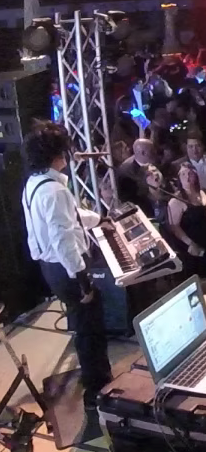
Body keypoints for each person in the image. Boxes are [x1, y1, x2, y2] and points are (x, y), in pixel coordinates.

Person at [21, 121, 112, 409]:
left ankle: (94, 381)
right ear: (58, 153)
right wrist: (84, 281)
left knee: (83, 324)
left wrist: (98, 220)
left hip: (51, 269)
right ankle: (97, 389)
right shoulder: (55, 191)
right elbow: (64, 240)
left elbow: (69, 217)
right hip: (67, 270)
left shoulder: (35, 184)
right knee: (90, 329)